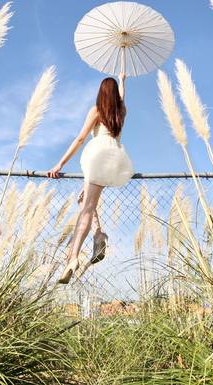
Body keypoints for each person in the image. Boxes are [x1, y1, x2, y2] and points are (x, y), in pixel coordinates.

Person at [47, 71, 134, 284]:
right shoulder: (121, 111)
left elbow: (79, 139)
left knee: (85, 210)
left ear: (101, 94)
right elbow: (122, 98)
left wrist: (60, 164)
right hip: (115, 158)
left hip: (97, 156)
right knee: (84, 200)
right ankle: (99, 235)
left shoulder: (97, 110)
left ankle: (73, 257)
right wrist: (122, 81)